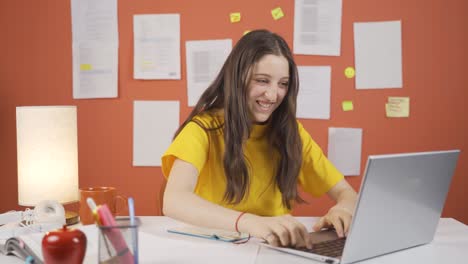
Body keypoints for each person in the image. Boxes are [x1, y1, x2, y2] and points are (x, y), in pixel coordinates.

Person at [161, 29, 357, 249]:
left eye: (283, 84)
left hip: (276, 251)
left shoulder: (292, 133)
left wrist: (343, 209)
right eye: (262, 81)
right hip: (216, 250)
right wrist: (251, 223)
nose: (273, 95)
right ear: (237, 78)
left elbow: (347, 193)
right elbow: (174, 200)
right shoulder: (202, 130)